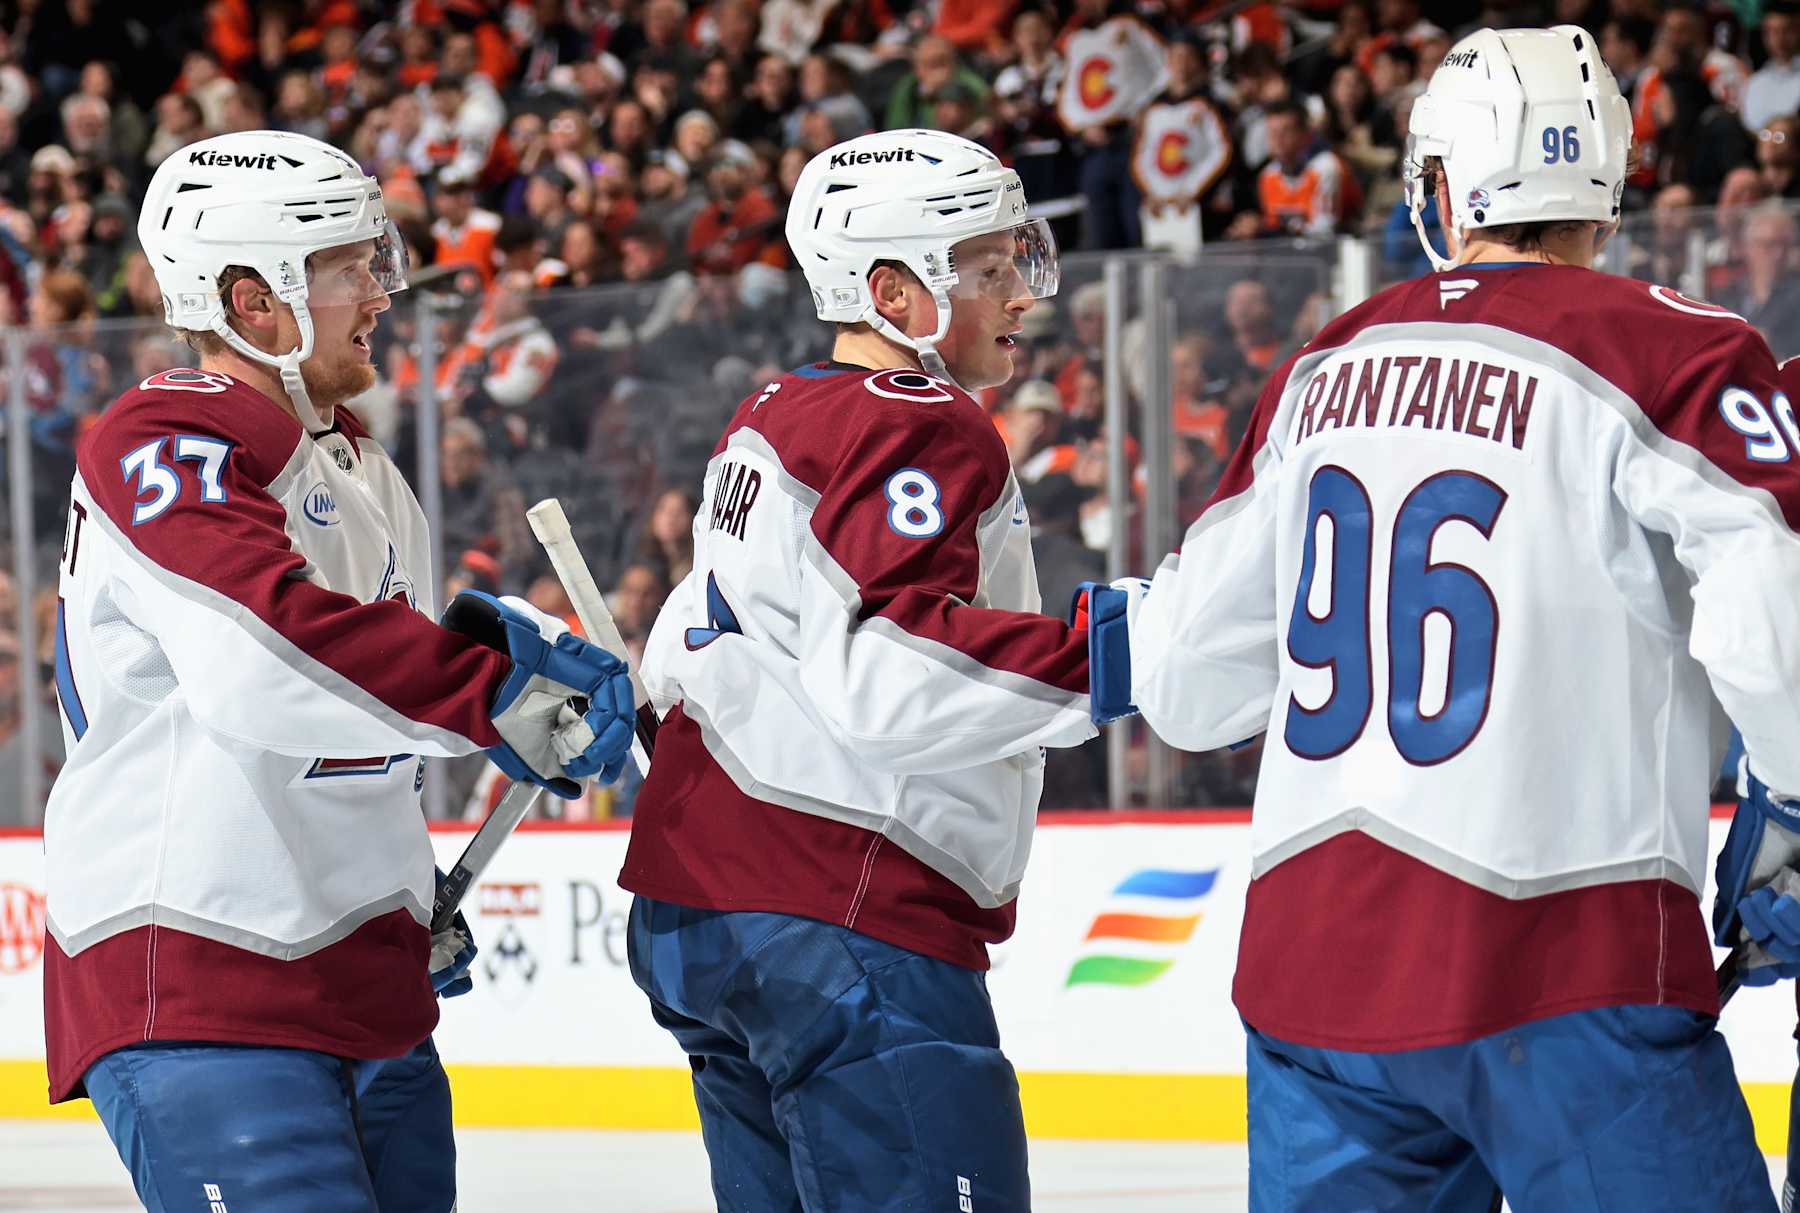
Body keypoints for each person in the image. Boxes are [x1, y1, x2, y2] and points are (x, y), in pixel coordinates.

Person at [1086, 25, 1797, 1210]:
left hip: (1317, 982)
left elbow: (1183, 679)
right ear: (1603, 181)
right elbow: (1772, 625)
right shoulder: (1682, 348)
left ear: (1449, 180)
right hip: (1572, 963)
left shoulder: (1326, 361)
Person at [43, 130, 638, 1213]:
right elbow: (263, 653)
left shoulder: (359, 466)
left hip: (357, 982)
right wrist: (489, 692)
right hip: (206, 969)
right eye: (348, 269)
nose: (380, 291)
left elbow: (365, 696)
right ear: (251, 300)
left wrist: (403, 900)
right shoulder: (169, 434)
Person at [619, 129, 1096, 1212]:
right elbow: (890, 667)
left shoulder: (774, 413)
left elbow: (684, 638)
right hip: (842, 905)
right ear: (894, 291)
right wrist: (1109, 653)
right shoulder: (925, 423)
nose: (1021, 292)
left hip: (702, 904)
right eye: (988, 269)